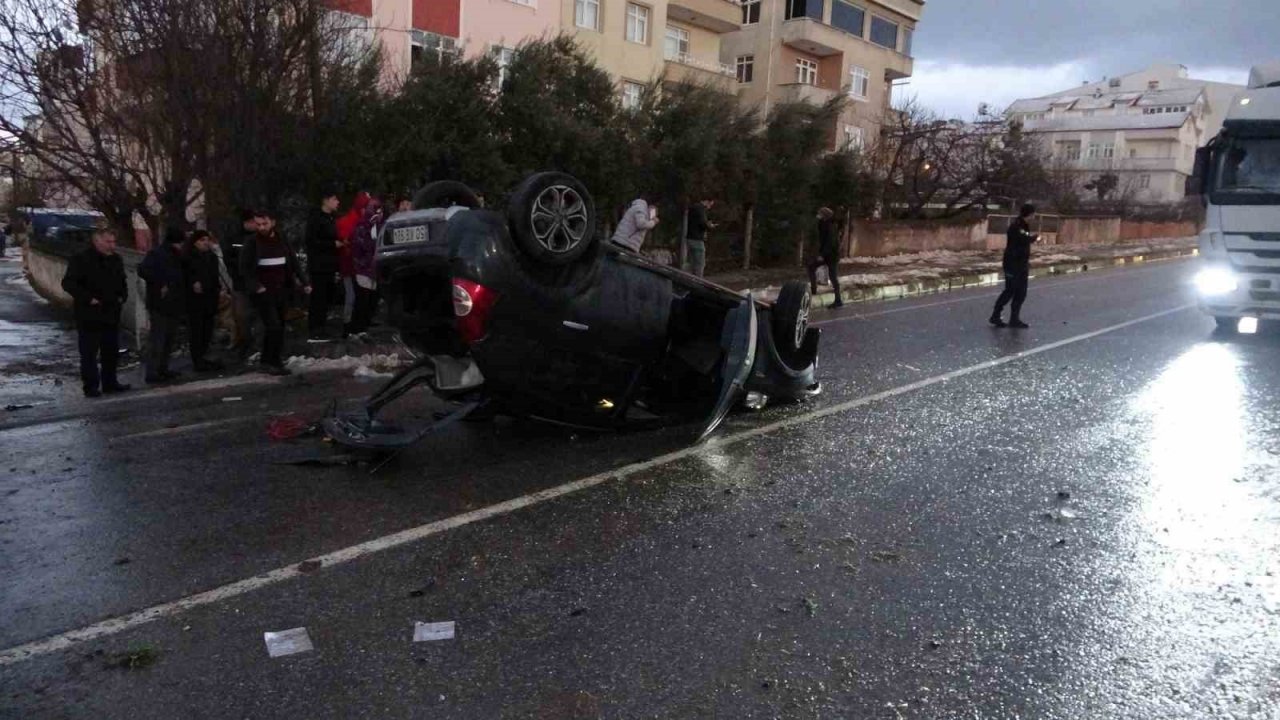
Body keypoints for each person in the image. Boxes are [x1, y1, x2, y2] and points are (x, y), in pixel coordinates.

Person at [61, 228, 131, 398]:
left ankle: (110, 382)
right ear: (97, 241)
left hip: (111, 312)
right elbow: (69, 283)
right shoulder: (81, 259)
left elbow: (122, 281)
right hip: (89, 314)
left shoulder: (115, 259)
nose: (112, 246)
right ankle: (91, 386)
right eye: (108, 242)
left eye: (114, 242)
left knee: (111, 350)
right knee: (89, 353)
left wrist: (123, 296)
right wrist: (88, 298)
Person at [240, 212, 311, 375]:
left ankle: (272, 359)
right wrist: (256, 286)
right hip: (264, 292)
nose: (261, 228)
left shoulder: (281, 239)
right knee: (273, 325)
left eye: (264, 224)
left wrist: (304, 282)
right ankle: (270, 361)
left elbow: (292, 262)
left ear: (272, 222)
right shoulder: (252, 242)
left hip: (281, 290)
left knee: (279, 325)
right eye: (258, 225)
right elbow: (244, 268)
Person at [138, 227, 188, 383]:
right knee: (159, 339)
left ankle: (162, 368)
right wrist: (161, 283)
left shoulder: (172, 254)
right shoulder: (159, 254)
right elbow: (143, 270)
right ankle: (154, 371)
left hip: (171, 302)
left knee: (167, 339)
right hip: (161, 303)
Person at [989, 203, 1040, 329]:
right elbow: (1023, 238)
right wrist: (1034, 238)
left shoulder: (1024, 225)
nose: (1035, 215)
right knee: (1010, 290)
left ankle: (1014, 319)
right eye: (1033, 213)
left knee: (1021, 292)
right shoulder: (1016, 225)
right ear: (1029, 213)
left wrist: (1031, 238)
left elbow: (1025, 238)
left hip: (1022, 263)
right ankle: (995, 315)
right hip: (1012, 263)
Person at [183, 230, 225, 372]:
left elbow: (215, 276)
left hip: (210, 298)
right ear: (195, 242)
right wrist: (193, 282)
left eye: (207, 239)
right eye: (202, 240)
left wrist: (218, 289)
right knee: (196, 332)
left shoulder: (211, 257)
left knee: (207, 330)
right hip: (194, 301)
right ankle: (198, 360)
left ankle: (204, 358)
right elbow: (185, 276)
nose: (205, 243)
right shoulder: (188, 257)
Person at [223, 210, 261, 359]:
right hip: (241, 284)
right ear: (245, 223)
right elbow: (229, 259)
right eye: (253, 222)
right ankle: (246, 343)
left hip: (258, 283)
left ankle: (258, 345)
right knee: (242, 316)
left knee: (259, 314)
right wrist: (240, 271)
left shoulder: (260, 237)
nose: (256, 225)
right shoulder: (234, 238)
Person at [305, 191, 342, 341]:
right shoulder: (315, 219)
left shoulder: (331, 218)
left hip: (329, 265)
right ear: (326, 200)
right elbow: (311, 241)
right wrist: (332, 244)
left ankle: (322, 327)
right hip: (319, 265)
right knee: (318, 298)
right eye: (334, 199)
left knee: (326, 297)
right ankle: (315, 329)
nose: (337, 202)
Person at [347, 197, 385, 338]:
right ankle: (355, 330)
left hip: (374, 270)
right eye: (376, 210)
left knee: (370, 301)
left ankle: (363, 328)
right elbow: (360, 246)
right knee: (362, 300)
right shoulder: (362, 226)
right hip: (362, 268)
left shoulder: (381, 227)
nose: (379, 214)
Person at [337, 191, 370, 336]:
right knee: (351, 297)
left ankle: (357, 326)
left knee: (361, 296)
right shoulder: (347, 222)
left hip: (360, 267)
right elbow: (345, 243)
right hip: (350, 266)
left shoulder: (366, 221)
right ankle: (348, 326)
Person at [806, 207, 844, 308]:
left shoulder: (830, 226)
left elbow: (830, 242)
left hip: (831, 255)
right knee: (811, 267)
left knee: (833, 277)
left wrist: (822, 255)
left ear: (824, 215)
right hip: (827, 254)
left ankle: (838, 300)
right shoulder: (823, 224)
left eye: (820, 213)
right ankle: (814, 290)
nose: (818, 215)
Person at [684, 199, 717, 277]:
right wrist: (710, 226)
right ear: (707, 201)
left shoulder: (693, 208)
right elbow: (703, 224)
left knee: (692, 262)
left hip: (690, 238)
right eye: (710, 204)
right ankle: (698, 281)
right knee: (700, 263)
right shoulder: (700, 209)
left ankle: (689, 280)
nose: (710, 207)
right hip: (697, 239)